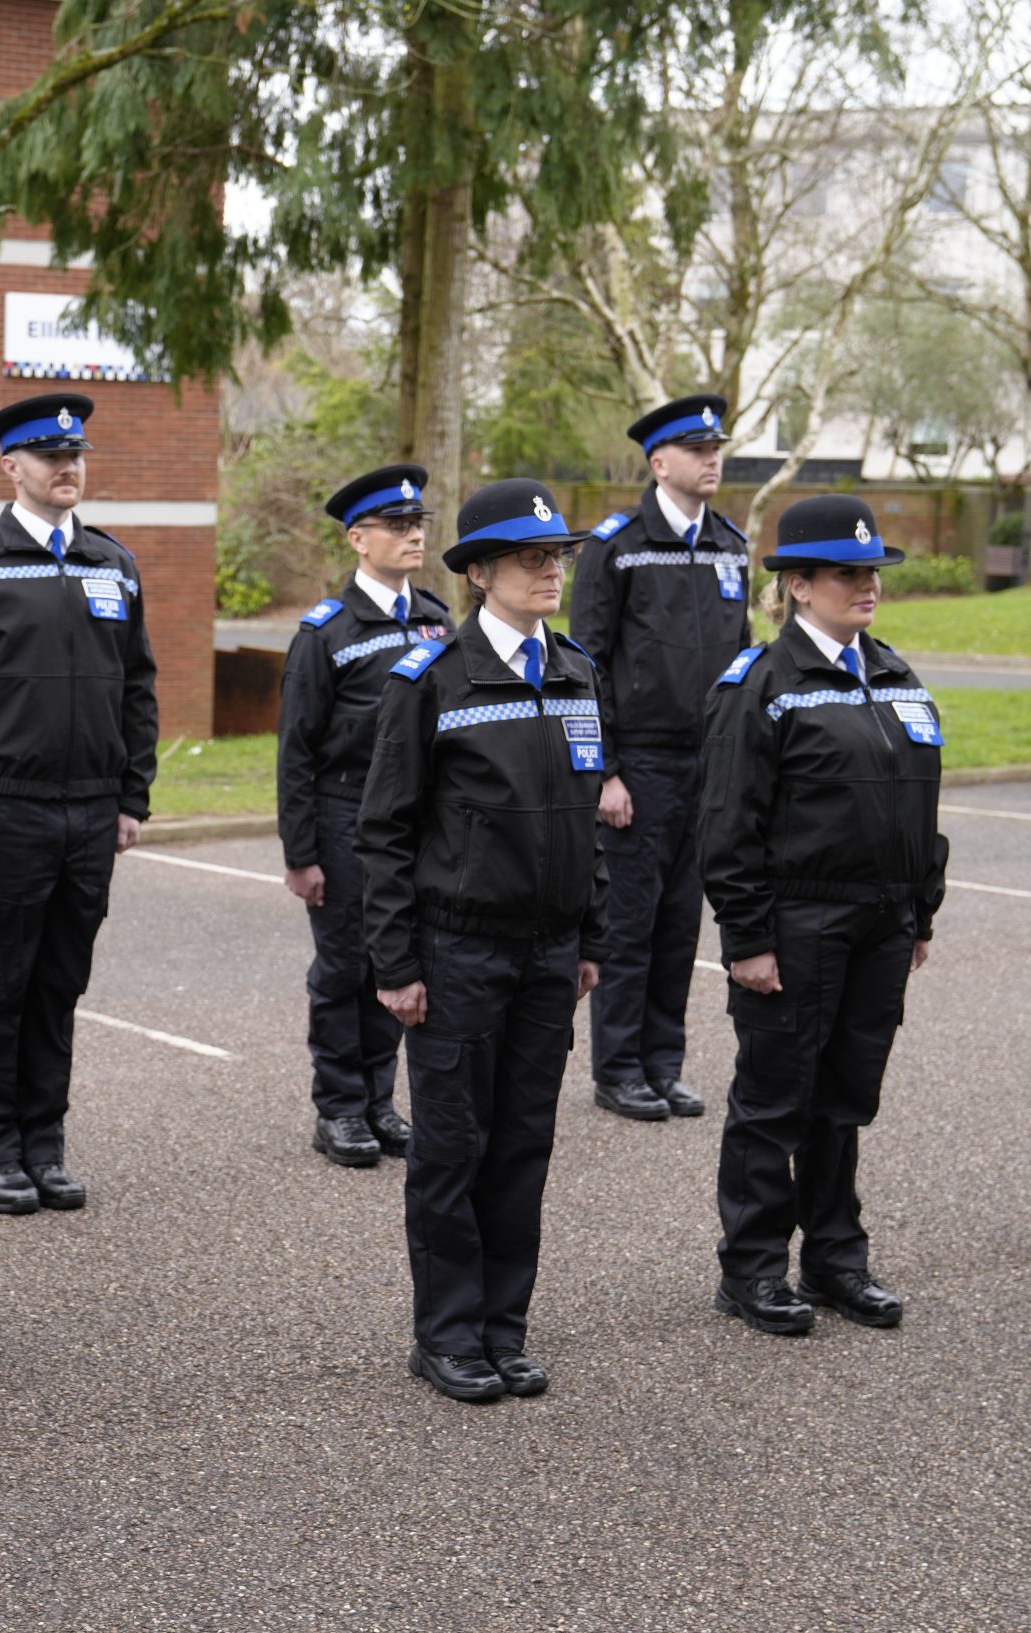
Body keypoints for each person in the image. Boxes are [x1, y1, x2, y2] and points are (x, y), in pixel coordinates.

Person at [356, 477, 617, 1404]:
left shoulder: (578, 671)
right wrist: (395, 962)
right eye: (531, 559)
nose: (551, 572)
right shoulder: (432, 679)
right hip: (458, 950)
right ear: (479, 572)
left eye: (558, 557)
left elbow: (586, 820)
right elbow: (384, 829)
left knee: (522, 1146)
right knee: (452, 1148)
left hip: (548, 952)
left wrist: (590, 935)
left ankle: (504, 1328)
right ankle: (448, 1333)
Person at [698, 494, 946, 1336]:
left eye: (873, 571)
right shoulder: (762, 685)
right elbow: (727, 823)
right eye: (847, 572)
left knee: (845, 1098)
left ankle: (836, 1257)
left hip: (880, 922)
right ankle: (752, 1267)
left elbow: (920, 803)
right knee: (775, 1100)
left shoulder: (896, 676)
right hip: (798, 921)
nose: (867, 585)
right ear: (798, 585)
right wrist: (747, 938)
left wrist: (919, 912)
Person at [0, 392, 160, 1217]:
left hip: (90, 811)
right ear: (11, 466)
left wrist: (132, 794)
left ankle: (44, 1143)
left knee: (59, 983)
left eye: (75, 456)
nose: (68, 468)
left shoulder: (112, 563)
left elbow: (137, 686)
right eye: (50, 456)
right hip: (4, 811)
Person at [569, 393, 751, 1125]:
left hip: (705, 765)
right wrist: (606, 771)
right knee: (629, 922)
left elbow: (740, 664)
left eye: (716, 450)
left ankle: (662, 1063)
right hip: (638, 764)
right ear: (658, 463)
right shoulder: (617, 545)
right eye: (697, 450)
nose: (712, 461)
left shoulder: (730, 545)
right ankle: (618, 1068)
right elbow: (587, 663)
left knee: (680, 924)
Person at [276, 463, 454, 1169]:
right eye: (397, 525)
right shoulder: (327, 631)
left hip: (414, 822)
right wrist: (302, 853)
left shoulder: (437, 619)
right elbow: (296, 751)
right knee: (346, 966)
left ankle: (379, 1100)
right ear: (358, 538)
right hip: (344, 815)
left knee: (396, 958)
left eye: (418, 524)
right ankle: (340, 1107)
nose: (414, 535)